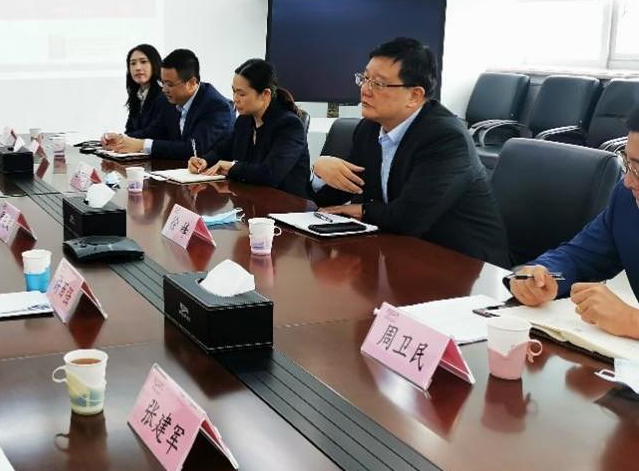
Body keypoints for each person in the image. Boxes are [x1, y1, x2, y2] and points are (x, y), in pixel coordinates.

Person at [312, 37, 509, 266]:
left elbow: (409, 218)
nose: (365, 90)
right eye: (364, 79)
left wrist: (362, 210)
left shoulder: (446, 138)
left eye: (379, 84)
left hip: (465, 265)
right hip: (400, 253)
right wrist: (319, 171)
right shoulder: (369, 129)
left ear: (415, 96)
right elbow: (333, 198)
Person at [508, 106, 639, 337]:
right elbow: (578, 255)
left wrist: (632, 321)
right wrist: (543, 275)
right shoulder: (626, 198)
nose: (628, 181)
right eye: (629, 163)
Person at [188, 58, 310, 197]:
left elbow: (270, 174)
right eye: (234, 92)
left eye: (242, 94)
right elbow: (223, 149)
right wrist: (204, 161)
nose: (235, 99)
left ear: (265, 94)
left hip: (286, 203)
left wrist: (232, 167)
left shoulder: (289, 125)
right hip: (250, 198)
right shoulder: (244, 120)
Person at [102, 48, 234, 159]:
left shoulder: (217, 107)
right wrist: (121, 138)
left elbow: (193, 149)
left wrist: (142, 145)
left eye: (169, 84)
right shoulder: (169, 100)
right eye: (162, 82)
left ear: (191, 83)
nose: (164, 89)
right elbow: (155, 131)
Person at [123, 44, 169, 136]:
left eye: (143, 62)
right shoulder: (136, 96)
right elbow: (129, 129)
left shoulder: (164, 95)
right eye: (133, 63)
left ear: (154, 64)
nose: (137, 68)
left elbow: (155, 132)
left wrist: (122, 139)